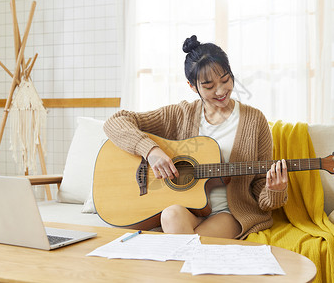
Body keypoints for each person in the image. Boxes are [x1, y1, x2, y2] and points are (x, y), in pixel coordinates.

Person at [103, 35, 288, 239]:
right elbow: (115, 121)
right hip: (190, 209)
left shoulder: (254, 120)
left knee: (192, 244)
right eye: (208, 86)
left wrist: (274, 190)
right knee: (170, 215)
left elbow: (262, 187)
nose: (220, 91)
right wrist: (151, 151)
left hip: (229, 213)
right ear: (193, 86)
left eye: (225, 80)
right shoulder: (180, 115)